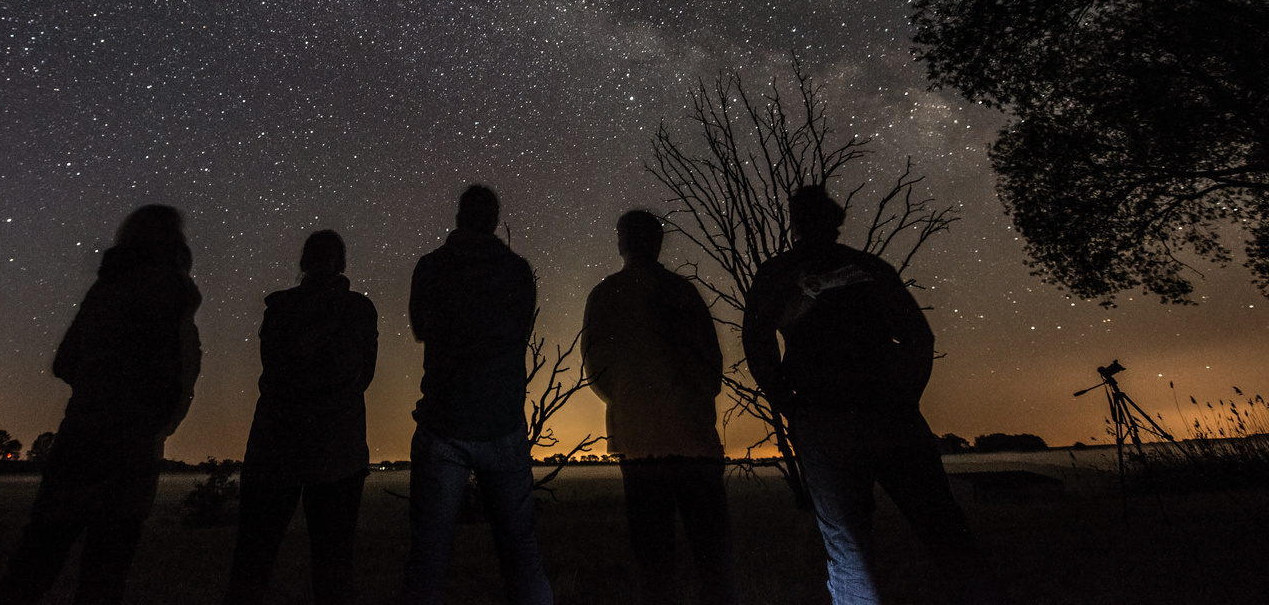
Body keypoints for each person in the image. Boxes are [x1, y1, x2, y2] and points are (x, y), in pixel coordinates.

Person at [742, 186, 1003, 605]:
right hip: (889, 412)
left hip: (825, 417)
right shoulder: (868, 267)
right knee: (945, 531)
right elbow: (919, 336)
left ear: (795, 223)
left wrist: (787, 401)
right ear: (836, 220)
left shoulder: (779, 272)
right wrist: (906, 394)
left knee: (849, 549)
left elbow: (756, 339)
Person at [0, 204, 203, 605]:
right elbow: (177, 368)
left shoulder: (105, 287)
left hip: (80, 434)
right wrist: (155, 416)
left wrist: (97, 386)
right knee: (105, 571)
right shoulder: (174, 289)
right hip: (131, 443)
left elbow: (64, 362)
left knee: (36, 558)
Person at [400, 184, 553, 605]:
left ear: (458, 218)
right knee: (523, 558)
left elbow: (420, 328)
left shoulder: (431, 267)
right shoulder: (517, 270)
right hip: (502, 422)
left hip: (444, 422)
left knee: (427, 561)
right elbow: (520, 331)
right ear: (493, 220)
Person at [583, 210, 741, 605]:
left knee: (654, 561)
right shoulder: (682, 292)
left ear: (622, 242)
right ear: (658, 242)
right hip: (694, 438)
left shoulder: (606, 294)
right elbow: (711, 364)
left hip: (639, 441)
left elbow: (595, 365)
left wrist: (627, 399)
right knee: (712, 555)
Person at [225, 230, 378, 605]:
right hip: (337, 451)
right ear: (341, 263)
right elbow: (365, 377)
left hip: (274, 447)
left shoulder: (279, 309)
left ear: (303, 263)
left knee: (252, 563)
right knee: (333, 566)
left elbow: (275, 369)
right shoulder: (359, 310)